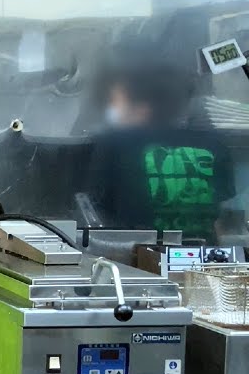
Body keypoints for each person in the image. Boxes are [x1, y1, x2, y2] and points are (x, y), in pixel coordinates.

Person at [82, 54, 236, 242]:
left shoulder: (115, 143)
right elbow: (222, 221)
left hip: (138, 262)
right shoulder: (215, 143)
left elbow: (95, 214)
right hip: (204, 260)